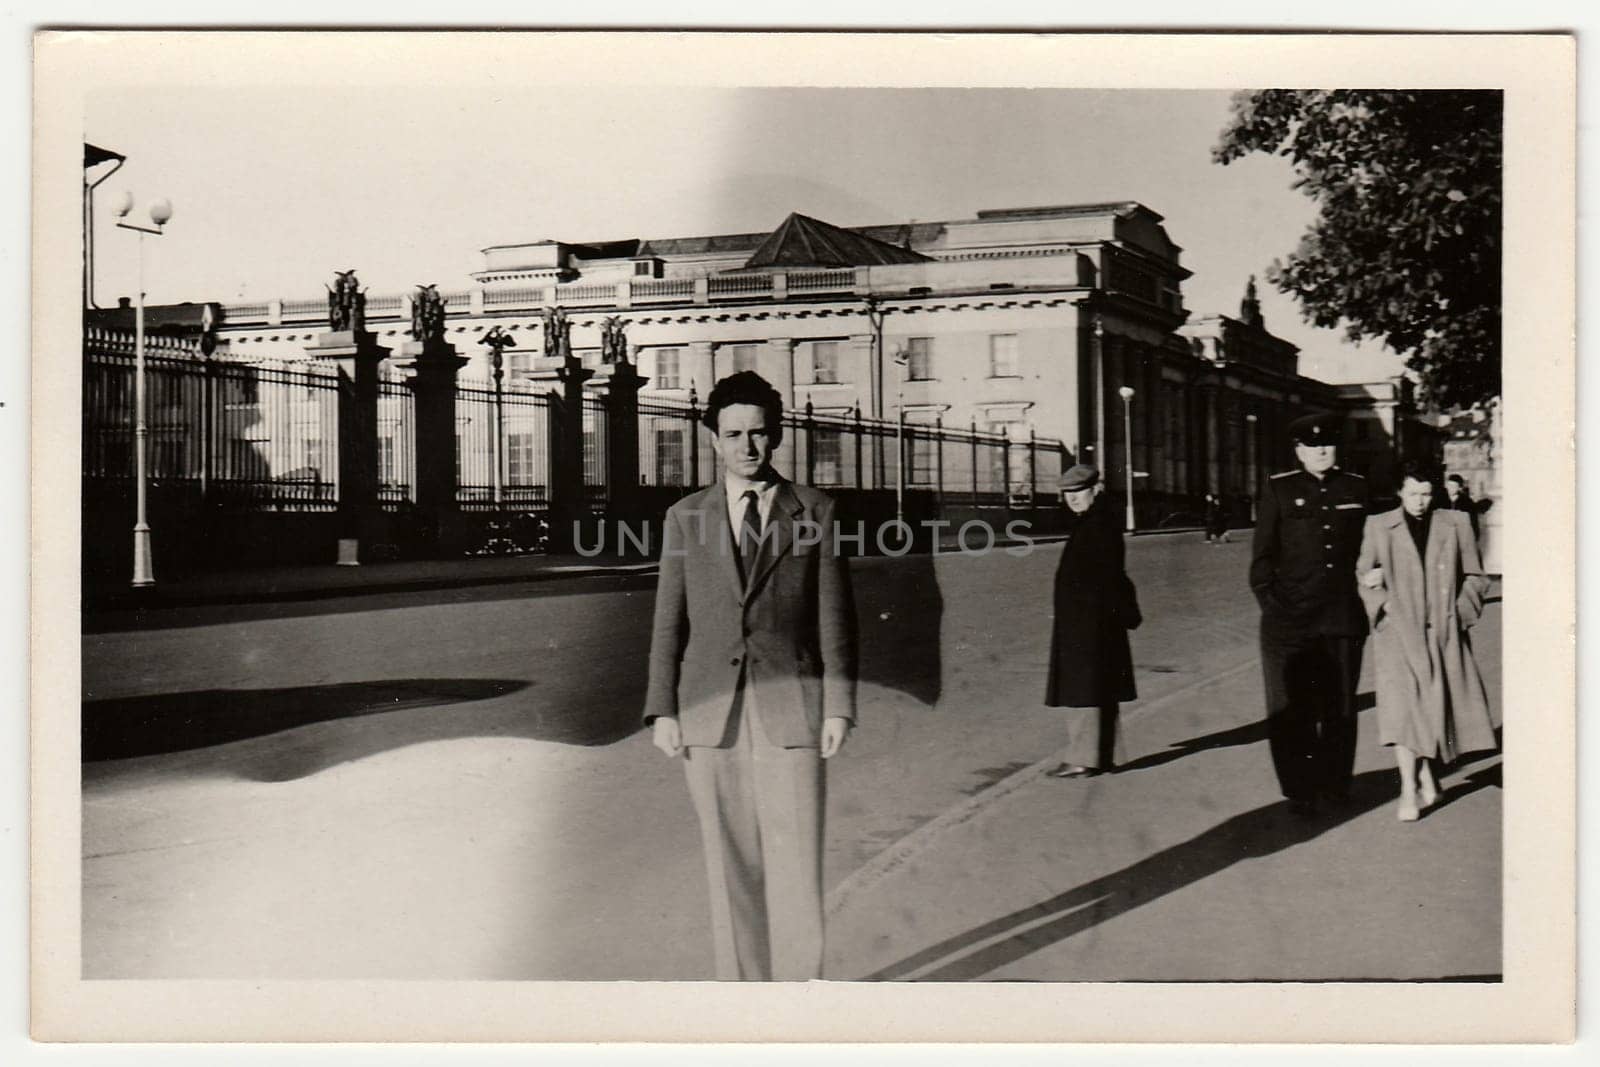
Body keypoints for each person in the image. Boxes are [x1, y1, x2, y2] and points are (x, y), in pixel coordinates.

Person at [642, 370, 857, 980]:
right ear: (712, 438)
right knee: (728, 867)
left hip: (792, 711)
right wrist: (662, 708)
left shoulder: (814, 510)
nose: (747, 447)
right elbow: (668, 622)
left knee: (796, 865)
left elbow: (835, 616)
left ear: (778, 436)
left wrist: (838, 706)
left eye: (759, 434)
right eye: (733, 434)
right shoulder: (685, 516)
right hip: (711, 714)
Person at [1356, 462, 1496, 822]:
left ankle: (1427, 776)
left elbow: (1477, 576)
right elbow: (1362, 575)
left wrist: (1460, 615)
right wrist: (1381, 602)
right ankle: (1408, 788)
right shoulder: (1379, 526)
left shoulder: (1455, 524)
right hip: (1398, 633)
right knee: (1403, 711)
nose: (1419, 502)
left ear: (1435, 494)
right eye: (1412, 493)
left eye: (1426, 494)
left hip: (1443, 633)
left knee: (1435, 708)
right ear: (1400, 493)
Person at [1250, 412, 1370, 816]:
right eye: (1312, 445)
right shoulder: (1279, 489)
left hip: (1340, 617)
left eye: (1328, 444)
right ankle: (1299, 790)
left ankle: (1335, 785)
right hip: (1290, 621)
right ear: (1298, 451)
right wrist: (1274, 606)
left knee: (1338, 707)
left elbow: (1370, 547)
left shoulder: (1356, 488)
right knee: (1291, 710)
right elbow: (1262, 561)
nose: (1321, 451)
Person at [1043, 464, 1138, 778]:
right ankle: (1104, 756)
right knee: (1100, 689)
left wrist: (1091, 619)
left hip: (1088, 622)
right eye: (1068, 494)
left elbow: (1106, 575)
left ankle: (1083, 758)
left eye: (1078, 492)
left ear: (1094, 489)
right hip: (1093, 620)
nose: (1072, 499)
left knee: (1082, 691)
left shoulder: (1096, 525)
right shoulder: (1097, 520)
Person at [1444, 473, 1481, 540]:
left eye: (1453, 486)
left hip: (1462, 537)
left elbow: (1473, 521)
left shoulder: (1467, 502)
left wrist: (1474, 537)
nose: (1450, 488)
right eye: (1449, 485)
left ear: (1459, 488)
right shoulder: (1441, 500)